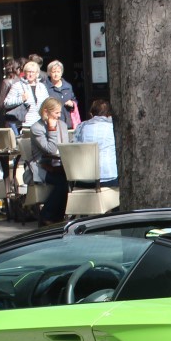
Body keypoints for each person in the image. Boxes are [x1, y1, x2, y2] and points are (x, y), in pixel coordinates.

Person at [30, 97, 70, 225]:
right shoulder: (37, 128)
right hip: (42, 167)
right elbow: (51, 149)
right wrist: (52, 130)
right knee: (62, 183)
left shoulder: (62, 125)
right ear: (46, 112)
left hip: (60, 165)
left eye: (60, 112)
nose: (59, 116)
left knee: (71, 181)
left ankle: (58, 215)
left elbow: (65, 146)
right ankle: (47, 215)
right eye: (56, 113)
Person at [72, 98, 119, 188]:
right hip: (109, 177)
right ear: (109, 114)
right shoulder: (113, 127)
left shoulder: (81, 126)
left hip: (84, 178)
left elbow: (74, 147)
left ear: (91, 114)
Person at [4, 60, 49, 130]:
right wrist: (21, 99)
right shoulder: (17, 86)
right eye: (28, 72)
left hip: (40, 124)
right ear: (25, 73)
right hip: (24, 125)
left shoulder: (42, 87)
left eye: (33, 72)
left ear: (37, 74)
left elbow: (47, 103)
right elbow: (6, 103)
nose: (30, 74)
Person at [46, 60, 78, 128]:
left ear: (61, 73)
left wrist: (72, 104)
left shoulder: (68, 86)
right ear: (49, 73)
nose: (56, 74)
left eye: (58, 72)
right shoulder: (45, 87)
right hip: (53, 123)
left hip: (68, 123)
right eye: (54, 72)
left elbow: (74, 100)